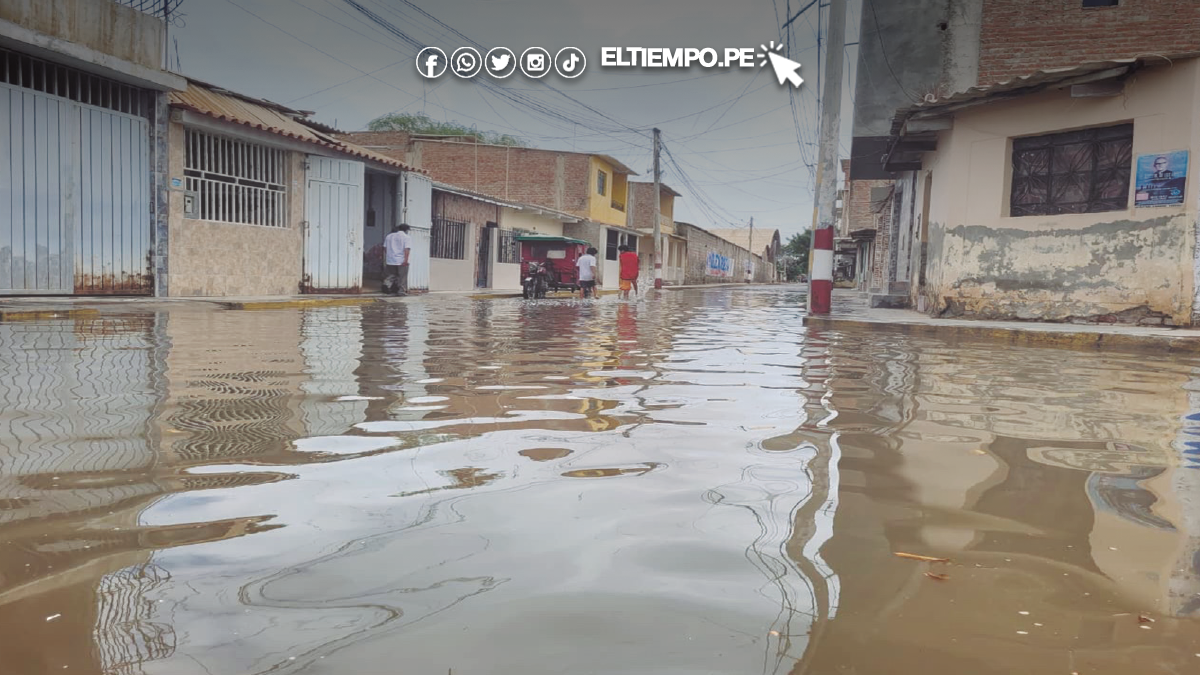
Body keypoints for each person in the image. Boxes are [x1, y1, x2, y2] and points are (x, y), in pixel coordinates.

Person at [384, 223, 412, 296]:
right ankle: (401, 291)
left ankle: (387, 284)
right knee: (402, 277)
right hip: (401, 260)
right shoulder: (406, 237)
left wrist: (389, 256)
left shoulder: (389, 236)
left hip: (390, 260)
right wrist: (405, 260)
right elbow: (406, 249)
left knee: (391, 275)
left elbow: (385, 248)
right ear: (406, 230)